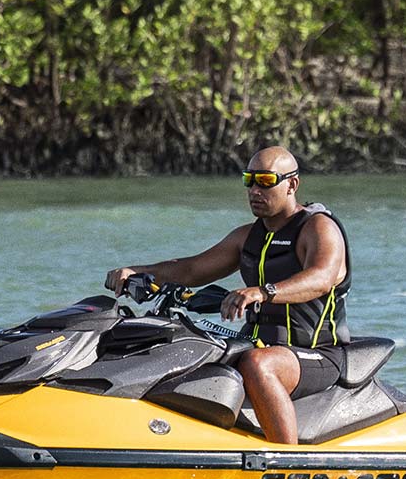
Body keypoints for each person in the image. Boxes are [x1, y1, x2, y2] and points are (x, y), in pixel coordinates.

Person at [102, 146, 351, 445]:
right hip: (258, 344)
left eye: (266, 181)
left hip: (320, 352)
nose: (255, 190)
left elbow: (321, 279)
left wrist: (263, 292)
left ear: (292, 184)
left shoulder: (318, 228)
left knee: (259, 365)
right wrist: (136, 271)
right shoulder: (247, 237)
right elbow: (192, 269)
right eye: (249, 180)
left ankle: (286, 462)